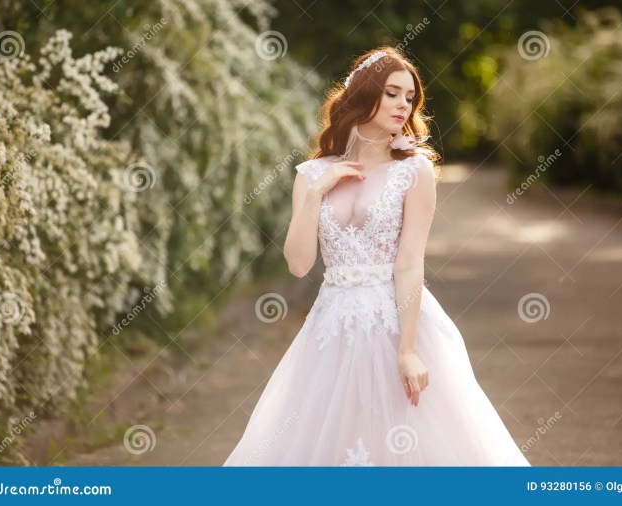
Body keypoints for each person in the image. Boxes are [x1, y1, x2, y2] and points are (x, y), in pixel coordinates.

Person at [223, 46, 531, 466]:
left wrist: (407, 350)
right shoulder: (312, 175)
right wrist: (316, 192)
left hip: (397, 320)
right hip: (331, 327)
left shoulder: (414, 170)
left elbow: (409, 263)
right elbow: (298, 265)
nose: (403, 104)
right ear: (365, 95)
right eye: (392, 93)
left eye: (410, 97)